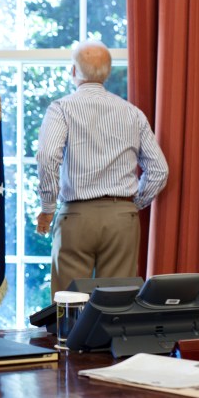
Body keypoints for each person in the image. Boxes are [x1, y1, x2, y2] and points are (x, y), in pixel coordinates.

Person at [35, 39, 169, 296]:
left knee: (68, 304)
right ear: (107, 73)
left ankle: (69, 339)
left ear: (74, 71)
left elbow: (47, 155)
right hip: (122, 220)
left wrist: (47, 208)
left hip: (76, 217)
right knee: (117, 305)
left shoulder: (61, 108)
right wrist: (132, 204)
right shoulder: (133, 113)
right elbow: (159, 170)